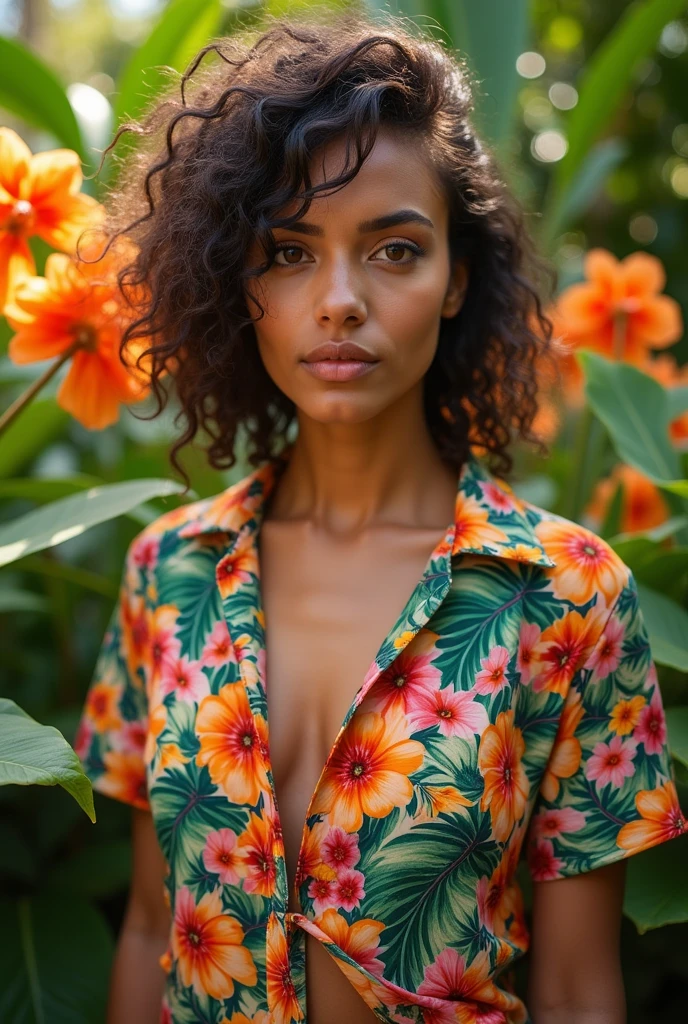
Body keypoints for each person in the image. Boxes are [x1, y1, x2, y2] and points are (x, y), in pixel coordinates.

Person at [74, 10, 685, 1024]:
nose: (340, 300)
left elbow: (581, 989)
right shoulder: (166, 575)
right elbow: (150, 926)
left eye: (395, 250)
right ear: (236, 278)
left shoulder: (564, 597)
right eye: (287, 251)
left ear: (455, 279)